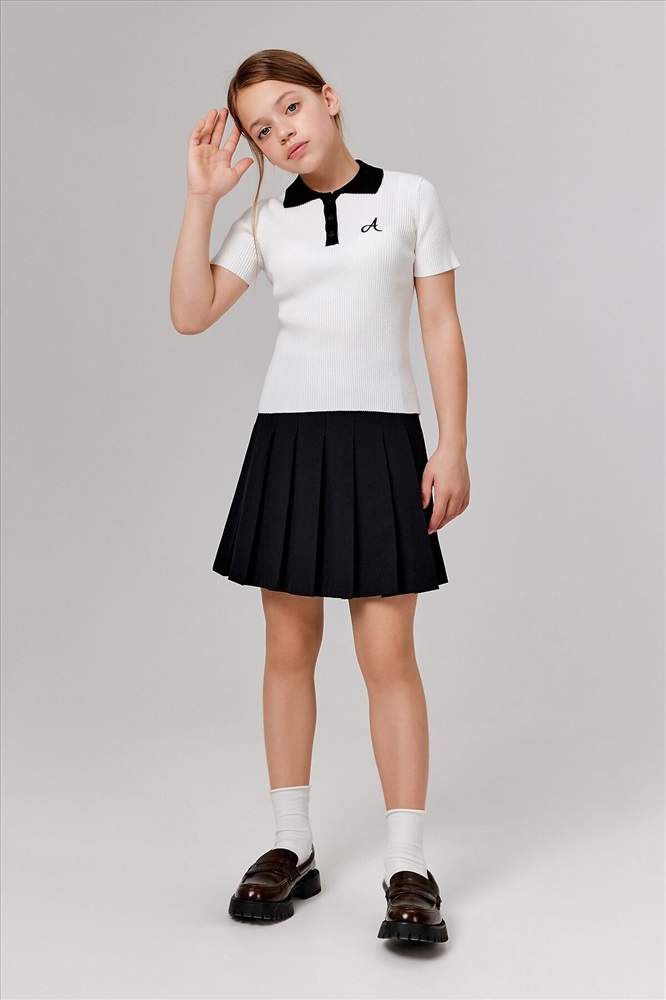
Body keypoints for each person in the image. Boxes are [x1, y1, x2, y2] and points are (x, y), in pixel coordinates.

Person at [170, 48, 470, 945]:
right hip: (290, 443)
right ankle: (290, 845)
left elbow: (440, 323)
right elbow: (190, 313)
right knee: (288, 649)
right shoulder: (265, 221)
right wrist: (201, 200)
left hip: (383, 441)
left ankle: (408, 864)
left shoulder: (410, 197)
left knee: (388, 654)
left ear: (329, 99)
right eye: (261, 129)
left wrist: (452, 444)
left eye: (291, 108)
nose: (282, 133)